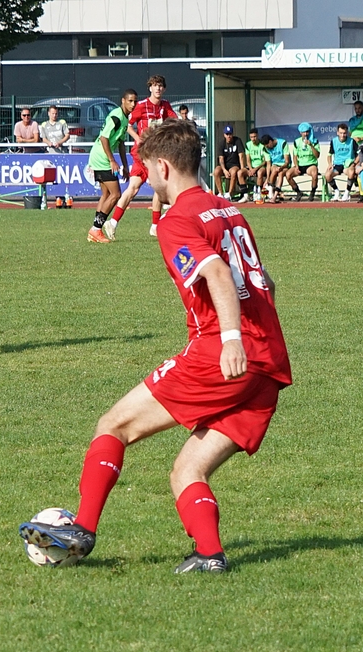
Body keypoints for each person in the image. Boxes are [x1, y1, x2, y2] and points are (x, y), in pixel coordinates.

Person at [20, 119, 291, 574]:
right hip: (268, 364)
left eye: (146, 171)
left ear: (163, 167)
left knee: (114, 425)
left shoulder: (176, 221)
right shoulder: (229, 210)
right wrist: (253, 338)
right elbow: (265, 282)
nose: (145, 180)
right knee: (187, 470)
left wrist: (231, 339)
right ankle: (209, 556)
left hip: (220, 355)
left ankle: (82, 529)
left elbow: (218, 274)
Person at [103, 75, 177, 240]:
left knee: (133, 188)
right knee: (160, 186)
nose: (158, 88)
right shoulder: (142, 106)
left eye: (160, 86)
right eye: (155, 85)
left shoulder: (165, 106)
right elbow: (128, 126)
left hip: (154, 153)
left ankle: (112, 223)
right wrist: (139, 139)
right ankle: (155, 226)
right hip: (143, 153)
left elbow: (175, 122)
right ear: (150, 88)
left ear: (164, 89)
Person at [87, 89, 137, 243]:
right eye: (130, 101)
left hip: (99, 156)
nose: (133, 104)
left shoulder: (125, 118)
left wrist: (125, 166)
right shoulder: (116, 116)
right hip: (102, 158)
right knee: (116, 195)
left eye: (135, 101)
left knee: (106, 194)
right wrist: (111, 160)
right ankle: (95, 229)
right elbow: (104, 138)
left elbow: (121, 143)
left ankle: (95, 231)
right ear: (123, 101)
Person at [286, 122, 320, 202]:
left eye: (307, 132)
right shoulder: (297, 142)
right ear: (300, 132)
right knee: (288, 174)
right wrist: (296, 166)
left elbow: (317, 155)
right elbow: (295, 156)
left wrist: (311, 145)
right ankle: (298, 192)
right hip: (300, 164)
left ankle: (312, 193)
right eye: (303, 132)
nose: (305, 134)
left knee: (314, 174)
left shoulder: (314, 141)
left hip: (311, 164)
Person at [324, 123, 358, 202]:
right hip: (337, 164)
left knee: (351, 172)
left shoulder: (352, 141)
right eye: (341, 133)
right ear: (337, 133)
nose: (342, 135)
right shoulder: (334, 141)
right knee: (327, 175)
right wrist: (330, 164)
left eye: (344, 133)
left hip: (348, 164)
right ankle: (337, 191)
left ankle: (347, 193)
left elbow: (359, 154)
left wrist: (354, 163)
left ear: (347, 133)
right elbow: (329, 155)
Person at [213, 125, 247, 202]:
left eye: (230, 134)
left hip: (234, 165)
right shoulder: (221, 143)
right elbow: (221, 159)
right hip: (225, 165)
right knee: (216, 171)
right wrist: (224, 170)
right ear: (224, 135)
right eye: (227, 134)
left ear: (232, 134)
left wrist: (242, 168)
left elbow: (241, 155)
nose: (229, 136)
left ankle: (229, 193)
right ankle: (221, 193)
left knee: (234, 172)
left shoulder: (237, 140)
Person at [262, 134, 289, 203]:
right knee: (274, 170)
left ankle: (274, 196)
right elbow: (268, 164)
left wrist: (281, 167)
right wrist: (267, 179)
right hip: (274, 165)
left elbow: (287, 162)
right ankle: (271, 192)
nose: (267, 147)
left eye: (267, 145)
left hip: (284, 165)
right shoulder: (265, 149)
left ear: (270, 141)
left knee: (280, 173)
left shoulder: (283, 143)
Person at [243, 128, 267, 202]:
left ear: (257, 136)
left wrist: (255, 169)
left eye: (255, 136)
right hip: (251, 167)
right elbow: (248, 160)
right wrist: (251, 169)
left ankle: (258, 193)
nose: (253, 139)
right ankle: (245, 194)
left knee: (260, 173)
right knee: (240, 173)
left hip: (260, 166)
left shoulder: (262, 145)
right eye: (251, 137)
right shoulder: (248, 145)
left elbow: (265, 161)